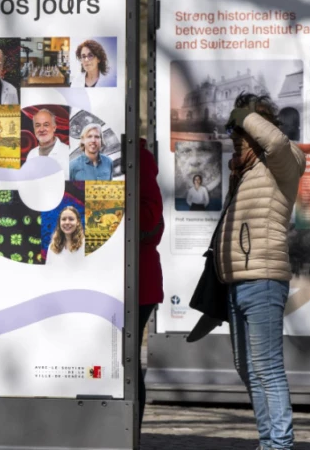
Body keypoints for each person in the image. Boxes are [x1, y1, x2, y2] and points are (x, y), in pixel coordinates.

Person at [216, 92, 306, 450]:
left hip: (264, 280)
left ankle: (279, 446)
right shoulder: (246, 171)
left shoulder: (284, 161)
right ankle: (268, 441)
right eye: (234, 133)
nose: (236, 140)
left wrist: (243, 114)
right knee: (247, 367)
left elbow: (276, 143)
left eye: (241, 132)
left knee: (267, 369)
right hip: (237, 282)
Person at [137, 138, 164, 425]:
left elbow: (149, 219)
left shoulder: (140, 159)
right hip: (127, 280)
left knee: (127, 363)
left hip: (138, 283)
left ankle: (132, 435)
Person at [26, 108, 70, 178]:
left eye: (46, 125)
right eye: (38, 125)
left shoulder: (68, 153)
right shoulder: (31, 155)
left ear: (54, 127)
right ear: (34, 129)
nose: (42, 129)